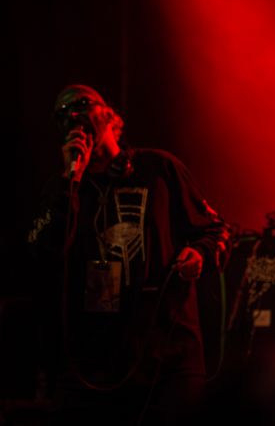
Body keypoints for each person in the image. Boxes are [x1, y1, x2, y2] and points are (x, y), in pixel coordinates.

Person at [28, 84, 230, 425]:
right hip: (92, 364)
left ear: (109, 115)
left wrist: (199, 253)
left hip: (166, 360)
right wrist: (68, 183)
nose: (72, 115)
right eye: (60, 114)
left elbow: (216, 229)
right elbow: (42, 253)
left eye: (81, 104)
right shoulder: (62, 188)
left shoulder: (158, 168)